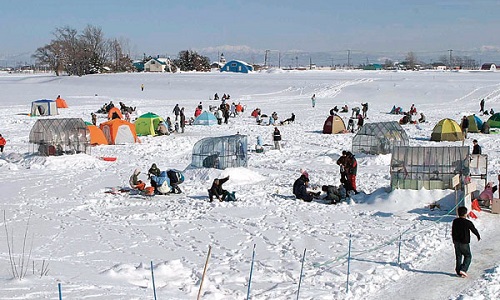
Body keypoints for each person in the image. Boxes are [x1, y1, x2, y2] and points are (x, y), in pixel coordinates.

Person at [452, 206, 480, 278]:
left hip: (456, 242)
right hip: (464, 242)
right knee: (468, 256)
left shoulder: (455, 221)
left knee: (458, 256)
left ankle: (458, 271)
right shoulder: (467, 222)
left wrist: (454, 240)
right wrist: (478, 235)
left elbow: (453, 231)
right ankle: (463, 269)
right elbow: (473, 229)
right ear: (465, 213)